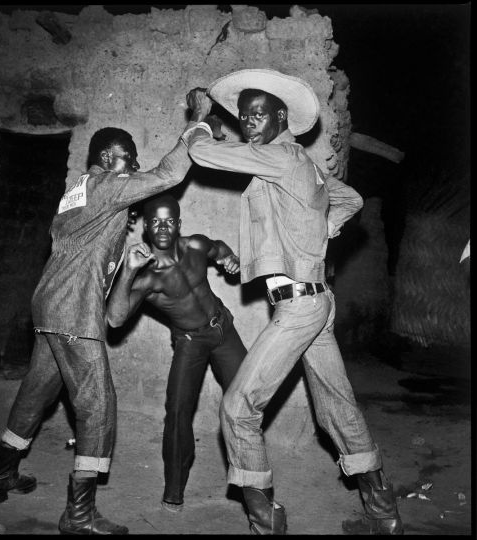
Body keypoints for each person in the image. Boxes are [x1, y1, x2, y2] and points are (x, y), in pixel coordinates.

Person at [184, 69, 404, 535]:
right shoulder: (298, 164)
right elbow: (349, 198)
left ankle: (266, 524)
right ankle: (383, 517)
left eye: (259, 114)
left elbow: (201, 152)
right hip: (314, 302)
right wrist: (313, 232)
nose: (249, 124)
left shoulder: (280, 158)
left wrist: (201, 122)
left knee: (239, 405)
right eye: (244, 117)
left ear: (281, 116)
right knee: (336, 409)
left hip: (300, 307)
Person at [0, 90, 213, 535]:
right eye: (127, 158)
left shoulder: (77, 190)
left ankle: (3, 472)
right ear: (108, 158)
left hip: (49, 304)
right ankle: (79, 514)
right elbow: (167, 174)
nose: (131, 165)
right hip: (72, 311)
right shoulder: (107, 185)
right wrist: (198, 125)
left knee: (35, 393)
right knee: (98, 406)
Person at [106, 194, 247, 513]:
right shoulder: (147, 276)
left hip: (223, 328)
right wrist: (128, 271)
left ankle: (249, 478)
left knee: (245, 399)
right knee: (178, 412)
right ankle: (174, 488)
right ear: (145, 227)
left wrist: (231, 258)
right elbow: (114, 319)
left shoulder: (196, 246)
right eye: (155, 221)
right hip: (190, 340)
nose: (163, 227)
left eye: (170, 221)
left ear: (179, 224)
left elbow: (219, 248)